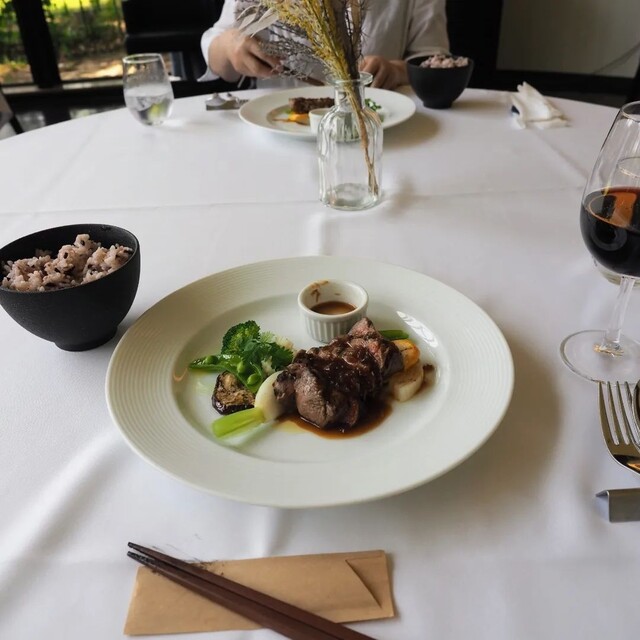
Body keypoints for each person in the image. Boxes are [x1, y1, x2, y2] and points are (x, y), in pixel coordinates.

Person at [200, 0, 449, 90]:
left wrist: (396, 71)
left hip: (380, 131)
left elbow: (435, 64)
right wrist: (230, 46)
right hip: (279, 127)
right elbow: (218, 57)